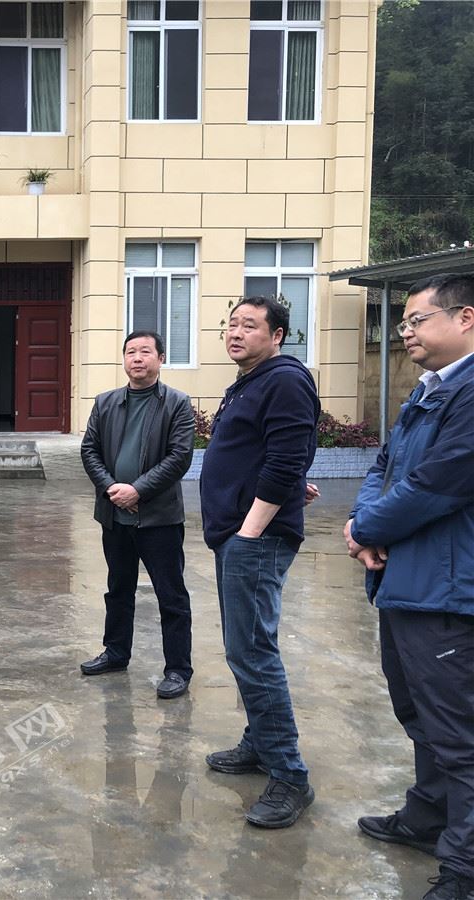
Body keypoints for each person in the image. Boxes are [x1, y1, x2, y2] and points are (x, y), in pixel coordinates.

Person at [345, 273, 474, 900]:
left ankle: (463, 866)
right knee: (417, 713)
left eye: (417, 320)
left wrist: (367, 527)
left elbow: (436, 486)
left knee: (458, 732)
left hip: (447, 589)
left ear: (465, 318)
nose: (405, 332)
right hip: (404, 580)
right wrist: (360, 524)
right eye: (403, 323)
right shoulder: (426, 391)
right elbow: (384, 466)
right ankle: (427, 816)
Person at [199, 295, 320, 829]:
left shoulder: (285, 379)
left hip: (254, 538)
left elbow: (289, 455)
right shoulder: (249, 381)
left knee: (253, 652)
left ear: (277, 336)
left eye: (249, 325)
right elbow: (267, 453)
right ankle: (259, 741)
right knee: (243, 649)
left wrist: (252, 529)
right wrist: (289, 490)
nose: (236, 332)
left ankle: (289, 775)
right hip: (238, 534)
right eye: (231, 324)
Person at [79, 330, 195, 699]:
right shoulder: (106, 402)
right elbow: (89, 450)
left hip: (159, 519)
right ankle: (116, 653)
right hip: (115, 516)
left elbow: (179, 457)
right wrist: (112, 488)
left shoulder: (177, 403)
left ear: (161, 358)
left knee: (170, 595)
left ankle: (177, 669)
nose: (137, 358)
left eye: (145, 351)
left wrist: (138, 490)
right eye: (131, 352)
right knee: (118, 588)